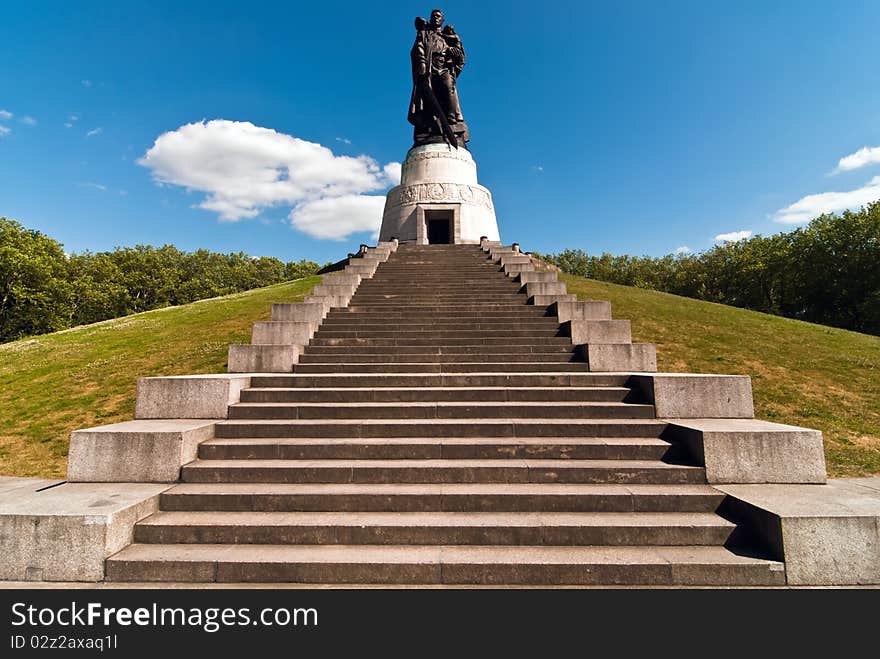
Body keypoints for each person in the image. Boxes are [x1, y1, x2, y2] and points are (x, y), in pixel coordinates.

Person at [407, 9, 470, 148]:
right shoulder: (424, 33)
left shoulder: (448, 36)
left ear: (442, 20)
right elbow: (418, 48)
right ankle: (431, 125)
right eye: (433, 16)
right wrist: (422, 63)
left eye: (438, 16)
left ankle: (451, 120)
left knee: (448, 88)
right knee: (429, 96)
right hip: (430, 68)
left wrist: (455, 53)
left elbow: (461, 56)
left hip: (444, 68)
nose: (435, 18)